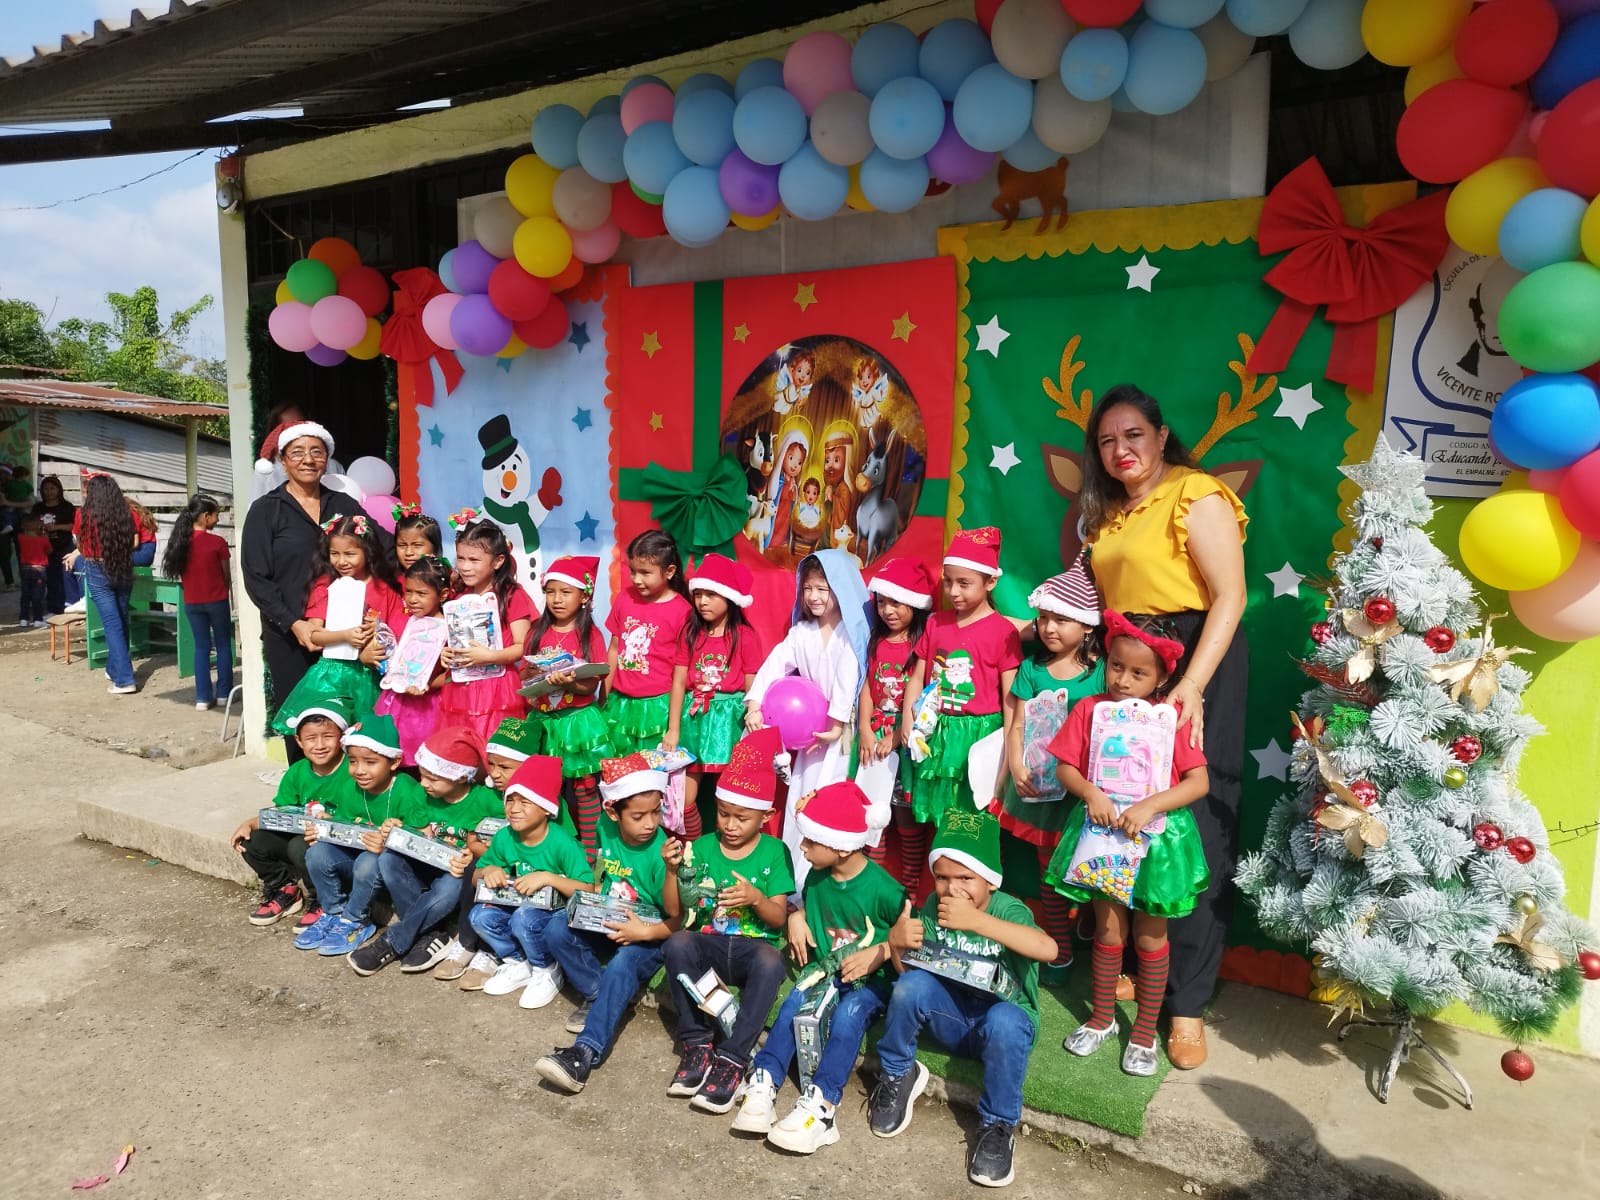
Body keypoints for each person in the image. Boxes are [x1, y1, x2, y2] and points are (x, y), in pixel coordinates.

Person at [1075, 384, 1248, 1068]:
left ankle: (1186, 1003)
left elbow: (1229, 595)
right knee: (1128, 819)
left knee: (1192, 828)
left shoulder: (1195, 493)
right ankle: (1142, 972)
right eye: (1107, 441)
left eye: (1133, 435)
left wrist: (1192, 685)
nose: (1121, 450)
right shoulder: (1108, 516)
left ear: (1161, 434)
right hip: (1129, 668)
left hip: (1195, 660)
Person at [1045, 613, 1210, 1077]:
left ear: (1162, 678)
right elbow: (1064, 767)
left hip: (1156, 844)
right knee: (1107, 932)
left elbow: (1198, 782)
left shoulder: (1170, 720)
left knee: (1150, 937)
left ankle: (1143, 1034)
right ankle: (1102, 1020)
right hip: (1104, 837)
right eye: (1116, 666)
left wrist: (1151, 804)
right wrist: (1090, 793)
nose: (1122, 680)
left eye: (1139, 672)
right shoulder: (1090, 711)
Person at [874, 810, 1058, 1190]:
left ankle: (998, 1125)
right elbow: (910, 974)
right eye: (942, 877)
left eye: (965, 878)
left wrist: (977, 922)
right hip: (954, 1020)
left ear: (990, 880)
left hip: (1004, 1029)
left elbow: (1048, 949)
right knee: (910, 986)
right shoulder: (933, 906)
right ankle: (898, 1074)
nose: (951, 889)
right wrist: (896, 944)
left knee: (1005, 1020)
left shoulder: (1008, 909)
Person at [731, 780, 902, 1154]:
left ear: (842, 847)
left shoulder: (886, 889)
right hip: (825, 972)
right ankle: (765, 1080)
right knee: (794, 1000)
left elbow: (910, 935)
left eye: (810, 841)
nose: (802, 847)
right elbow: (813, 904)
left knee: (849, 1016)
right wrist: (798, 915)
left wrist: (882, 950)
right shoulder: (817, 876)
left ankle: (822, 1107)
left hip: (871, 983)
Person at [660, 727, 795, 1115]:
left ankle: (733, 1059)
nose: (731, 825)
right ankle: (697, 1045)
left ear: (766, 816)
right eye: (723, 814)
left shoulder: (775, 851)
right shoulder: (702, 847)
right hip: (710, 945)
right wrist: (672, 871)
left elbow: (779, 917)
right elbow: (676, 911)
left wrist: (755, 899)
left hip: (753, 948)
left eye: (742, 817)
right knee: (677, 942)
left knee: (771, 961)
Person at [989, 558, 1105, 981]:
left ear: (1087, 625)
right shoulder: (1032, 670)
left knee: (1088, 867)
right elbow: (1017, 724)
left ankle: (1089, 925)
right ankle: (1060, 950)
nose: (1049, 628)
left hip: (1082, 793)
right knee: (1047, 871)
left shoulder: (1101, 674)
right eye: (1042, 619)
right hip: (1039, 790)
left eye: (1061, 619)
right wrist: (1015, 764)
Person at [240, 421, 367, 759]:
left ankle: (345, 787)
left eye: (316, 452)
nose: (308, 459)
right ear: (283, 461)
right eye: (297, 453)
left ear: (327, 459)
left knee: (346, 719)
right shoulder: (266, 510)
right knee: (301, 721)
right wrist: (294, 623)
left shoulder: (344, 506)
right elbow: (256, 577)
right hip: (289, 636)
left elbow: (378, 551)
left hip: (342, 635)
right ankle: (302, 788)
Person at [745, 549, 870, 877]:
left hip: (841, 737)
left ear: (840, 589)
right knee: (802, 798)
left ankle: (831, 877)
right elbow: (776, 663)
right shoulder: (801, 632)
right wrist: (755, 704)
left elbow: (848, 676)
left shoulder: (851, 635)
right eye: (808, 588)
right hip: (811, 735)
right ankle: (796, 881)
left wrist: (837, 723)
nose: (813, 596)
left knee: (833, 799)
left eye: (822, 589)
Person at [351, 727, 506, 977]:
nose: (423, 783)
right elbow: (421, 835)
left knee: (452, 883)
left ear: (460, 777)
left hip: (455, 872)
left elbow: (502, 840)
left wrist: (476, 853)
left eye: (433, 778)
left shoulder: (486, 800)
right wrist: (397, 830)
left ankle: (393, 940)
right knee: (389, 859)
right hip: (426, 865)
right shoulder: (421, 793)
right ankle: (431, 934)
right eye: (422, 775)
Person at [901, 528, 1023, 826]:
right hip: (936, 732)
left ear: (990, 582)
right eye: (948, 582)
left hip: (979, 739)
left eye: (964, 583)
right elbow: (917, 677)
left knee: (974, 818)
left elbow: (1011, 699)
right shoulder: (936, 624)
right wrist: (907, 719)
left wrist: (1009, 752)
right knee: (938, 816)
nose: (953, 592)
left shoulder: (1003, 632)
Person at [466, 755, 595, 1009]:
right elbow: (474, 877)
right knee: (479, 916)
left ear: (546, 808)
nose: (514, 809)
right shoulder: (504, 837)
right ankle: (517, 962)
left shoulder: (562, 842)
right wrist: (488, 870)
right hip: (520, 906)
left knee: (523, 918)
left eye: (525, 802)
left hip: (555, 914)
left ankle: (546, 968)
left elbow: (587, 889)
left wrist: (547, 878)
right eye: (510, 800)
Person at [296, 714, 425, 957]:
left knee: (369, 861)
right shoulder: (350, 787)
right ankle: (333, 911)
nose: (359, 770)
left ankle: (356, 920)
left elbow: (421, 838)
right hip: (355, 858)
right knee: (317, 853)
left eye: (370, 762)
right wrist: (327, 826)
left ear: (394, 761)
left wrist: (392, 839)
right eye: (353, 761)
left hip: (389, 867)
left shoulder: (407, 790)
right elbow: (346, 825)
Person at [431, 715, 541, 985]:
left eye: (505, 766)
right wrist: (484, 853)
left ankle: (490, 951)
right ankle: (467, 942)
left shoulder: (543, 800)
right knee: (474, 870)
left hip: (531, 867)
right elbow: (472, 838)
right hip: (492, 860)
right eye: (491, 764)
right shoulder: (487, 795)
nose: (495, 773)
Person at [228, 698, 357, 927]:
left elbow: (362, 818)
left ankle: (324, 897)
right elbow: (283, 813)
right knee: (252, 841)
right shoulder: (297, 772)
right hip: (304, 838)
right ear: (299, 741)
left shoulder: (353, 770)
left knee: (299, 845)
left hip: (337, 847)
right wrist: (250, 823)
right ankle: (285, 889)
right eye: (311, 738)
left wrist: (333, 824)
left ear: (341, 738)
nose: (319, 745)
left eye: (328, 736)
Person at [268, 513, 401, 735]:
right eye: (334, 554)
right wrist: (345, 636)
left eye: (350, 554)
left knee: (366, 735)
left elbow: (397, 633)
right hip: (333, 676)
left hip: (371, 677)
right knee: (330, 732)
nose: (341, 561)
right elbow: (314, 636)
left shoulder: (384, 590)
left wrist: (378, 634)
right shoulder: (326, 587)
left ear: (368, 552)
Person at [664, 553, 763, 841]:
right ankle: (695, 849)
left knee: (729, 800)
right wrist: (673, 729)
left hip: (729, 723)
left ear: (729, 597)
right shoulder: (690, 633)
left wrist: (752, 730)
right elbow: (678, 682)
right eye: (698, 595)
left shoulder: (745, 637)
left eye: (711, 595)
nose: (702, 602)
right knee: (682, 801)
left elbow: (752, 690)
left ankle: (723, 853)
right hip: (694, 718)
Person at [524, 556, 611, 852]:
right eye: (550, 592)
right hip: (544, 721)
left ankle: (590, 853)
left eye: (565, 592)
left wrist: (569, 682)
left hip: (578, 722)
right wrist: (534, 673)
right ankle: (555, 849)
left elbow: (592, 683)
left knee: (585, 788)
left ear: (584, 597)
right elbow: (524, 674)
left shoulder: (591, 635)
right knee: (549, 787)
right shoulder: (537, 631)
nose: (557, 599)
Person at [857, 558, 934, 889]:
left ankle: (910, 890)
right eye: (882, 602)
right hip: (873, 740)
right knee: (873, 818)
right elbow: (867, 687)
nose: (887, 610)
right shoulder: (875, 641)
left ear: (914, 605)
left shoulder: (920, 645)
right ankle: (872, 886)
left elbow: (923, 695)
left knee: (906, 821)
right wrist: (864, 728)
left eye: (896, 603)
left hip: (903, 742)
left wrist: (897, 734)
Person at [437, 516, 535, 742]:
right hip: (461, 688)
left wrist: (489, 656)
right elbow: (455, 642)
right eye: (460, 558)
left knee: (492, 745)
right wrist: (447, 655)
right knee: (459, 745)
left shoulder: (511, 595)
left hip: (498, 688)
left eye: (474, 560)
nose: (464, 566)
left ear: (498, 561)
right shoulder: (459, 597)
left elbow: (523, 646)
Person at [604, 529, 692, 755]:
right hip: (619, 704)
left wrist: (673, 728)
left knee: (651, 770)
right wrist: (602, 700)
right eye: (633, 571)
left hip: (657, 709)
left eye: (645, 572)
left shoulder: (682, 611)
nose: (636, 579)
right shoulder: (625, 598)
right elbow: (613, 650)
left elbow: (680, 676)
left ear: (669, 571)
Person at [372, 555, 452, 765]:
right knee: (389, 751)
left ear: (443, 594)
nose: (413, 599)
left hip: (428, 706)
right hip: (396, 699)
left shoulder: (448, 629)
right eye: (408, 591)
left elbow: (452, 675)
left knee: (422, 757)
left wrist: (429, 684)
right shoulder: (407, 622)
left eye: (422, 593)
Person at [66, 474, 140, 694]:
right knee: (121, 619)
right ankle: (114, 668)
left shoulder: (82, 515)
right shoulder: (127, 513)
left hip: (96, 568)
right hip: (123, 566)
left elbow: (79, 544)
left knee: (111, 623)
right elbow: (135, 542)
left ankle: (124, 680)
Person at [162, 493, 234, 710]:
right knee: (223, 645)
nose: (217, 519)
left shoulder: (179, 543)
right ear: (205, 516)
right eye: (216, 515)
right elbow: (226, 575)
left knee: (201, 647)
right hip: (217, 599)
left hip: (192, 602)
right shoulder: (217, 542)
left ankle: (202, 697)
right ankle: (224, 694)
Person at [31, 474, 77, 612]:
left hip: (64, 546)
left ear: (59, 490)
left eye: (52, 488)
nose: (49, 492)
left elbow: (73, 526)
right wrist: (40, 528)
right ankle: (53, 607)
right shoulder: (38, 508)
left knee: (65, 576)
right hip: (44, 548)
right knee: (49, 577)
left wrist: (56, 527)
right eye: (46, 489)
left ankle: (68, 605)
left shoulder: (67, 507)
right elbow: (30, 526)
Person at [16, 513, 50, 628]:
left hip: (25, 569)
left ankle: (23, 619)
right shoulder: (43, 539)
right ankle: (37, 619)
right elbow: (49, 550)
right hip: (39, 569)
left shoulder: (20, 538)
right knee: (37, 596)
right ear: (38, 525)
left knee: (25, 595)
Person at [390, 502, 444, 573]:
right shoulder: (391, 579)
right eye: (402, 545)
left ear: (435, 546)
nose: (408, 552)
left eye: (417, 545)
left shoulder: (448, 578)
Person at [128, 499, 158, 568]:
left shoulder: (132, 514)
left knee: (116, 558)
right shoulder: (137, 514)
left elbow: (135, 544)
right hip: (147, 552)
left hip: (142, 552)